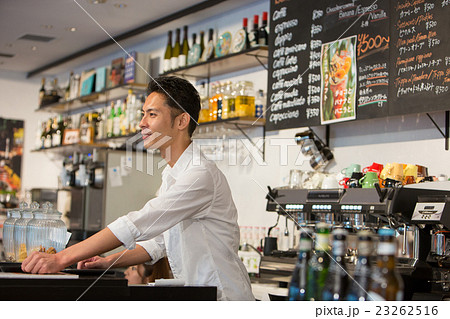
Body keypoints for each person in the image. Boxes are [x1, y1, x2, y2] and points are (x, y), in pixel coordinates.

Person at [21, 76, 255, 301]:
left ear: (182, 121)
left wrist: (63, 258)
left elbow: (139, 223)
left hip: (224, 299)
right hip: (198, 297)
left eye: (152, 114)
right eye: (143, 114)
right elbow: (159, 242)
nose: (142, 123)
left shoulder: (199, 175)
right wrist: (109, 261)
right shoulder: (172, 174)